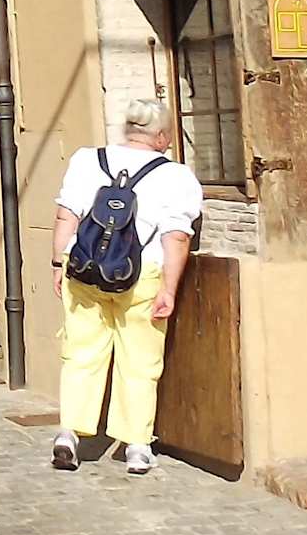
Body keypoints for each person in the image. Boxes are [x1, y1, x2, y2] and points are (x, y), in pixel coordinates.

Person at [49, 97, 202, 475]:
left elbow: (66, 215)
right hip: (140, 274)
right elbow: (177, 235)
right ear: (161, 136)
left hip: (84, 271)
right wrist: (169, 288)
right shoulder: (176, 176)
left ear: (129, 129)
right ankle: (136, 446)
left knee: (81, 354)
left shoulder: (87, 160)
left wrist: (57, 263)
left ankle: (69, 434)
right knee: (140, 360)